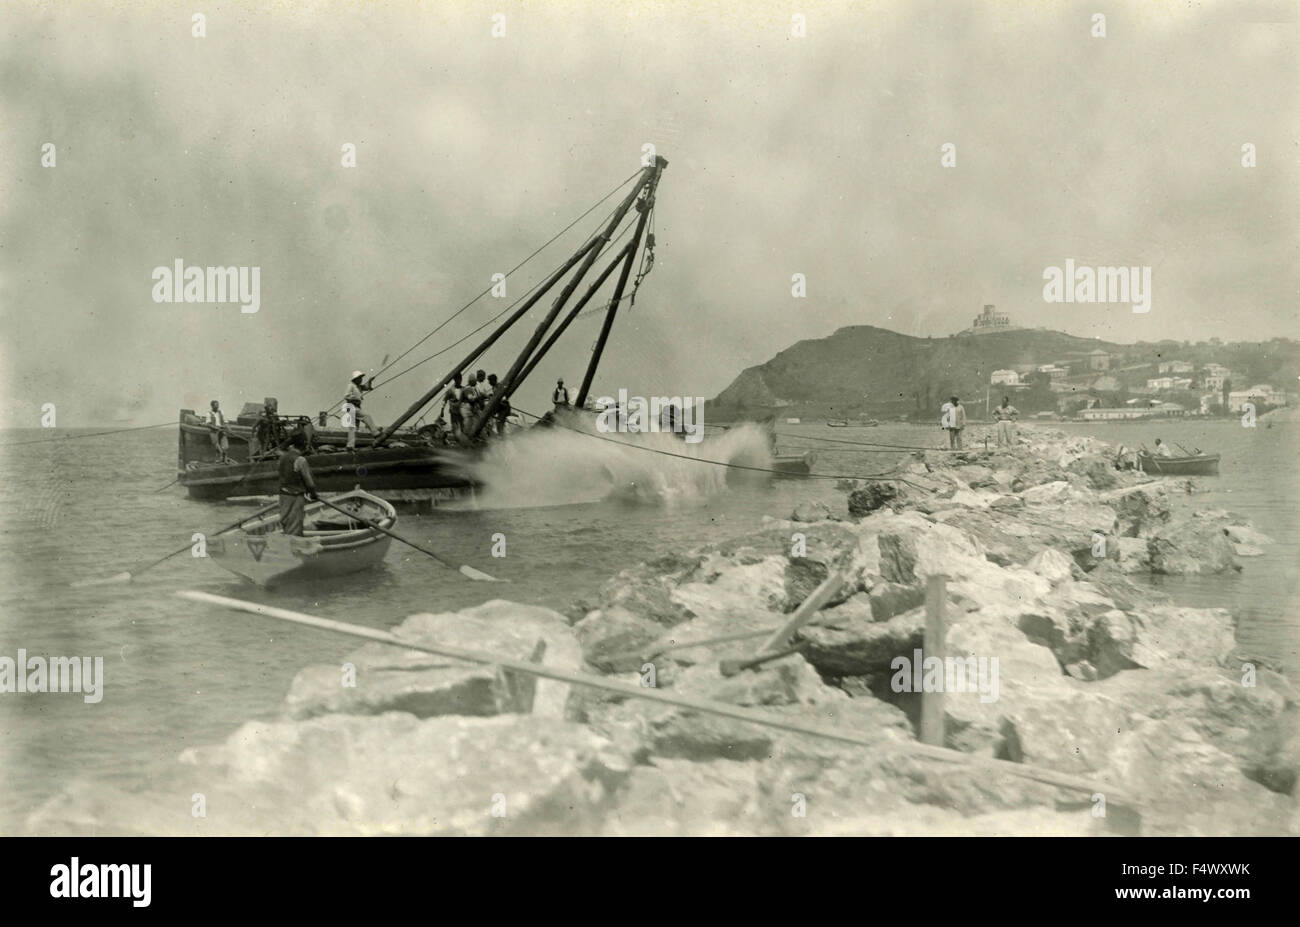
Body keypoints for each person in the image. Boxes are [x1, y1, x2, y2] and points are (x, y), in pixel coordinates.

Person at [277, 431, 319, 536]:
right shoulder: (300, 460)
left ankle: (286, 543)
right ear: (304, 445)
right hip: (295, 496)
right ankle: (294, 548)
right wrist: (313, 494)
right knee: (295, 526)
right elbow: (309, 481)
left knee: (286, 522)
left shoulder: (282, 457)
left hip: (283, 496)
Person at [343, 370, 378, 450]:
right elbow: (346, 396)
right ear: (355, 379)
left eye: (361, 378)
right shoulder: (351, 385)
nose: (361, 380)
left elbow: (367, 387)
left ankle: (350, 446)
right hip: (352, 406)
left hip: (355, 407)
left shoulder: (359, 387)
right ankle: (375, 433)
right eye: (360, 378)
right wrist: (356, 398)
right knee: (366, 416)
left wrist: (370, 381)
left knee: (353, 427)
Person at [444, 372, 465, 437]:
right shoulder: (451, 390)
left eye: (460, 379)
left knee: (463, 428)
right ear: (454, 380)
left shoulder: (464, 389)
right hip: (454, 412)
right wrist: (442, 410)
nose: (459, 381)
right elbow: (444, 400)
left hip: (462, 412)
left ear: (461, 379)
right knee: (455, 429)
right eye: (457, 379)